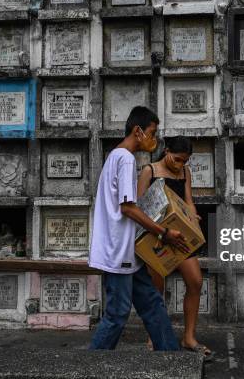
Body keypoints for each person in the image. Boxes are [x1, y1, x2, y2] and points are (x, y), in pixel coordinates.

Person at [88, 106, 190, 351]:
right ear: (138, 131)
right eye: (152, 133)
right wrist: (163, 232)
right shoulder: (124, 158)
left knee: (152, 304)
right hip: (118, 252)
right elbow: (128, 208)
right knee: (117, 314)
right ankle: (89, 365)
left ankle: (171, 358)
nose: (155, 140)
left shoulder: (116, 156)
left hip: (127, 252)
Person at [137, 136, 213, 360]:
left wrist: (192, 217)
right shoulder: (149, 171)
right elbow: (140, 207)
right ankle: (155, 335)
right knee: (156, 288)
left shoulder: (184, 172)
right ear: (166, 150)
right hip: (158, 237)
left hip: (181, 236)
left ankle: (188, 337)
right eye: (178, 160)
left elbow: (187, 200)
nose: (180, 165)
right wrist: (160, 230)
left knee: (195, 281)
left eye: (185, 162)